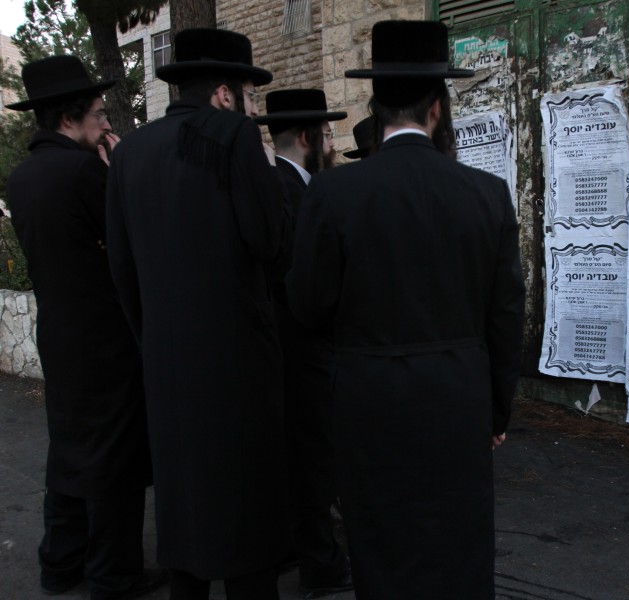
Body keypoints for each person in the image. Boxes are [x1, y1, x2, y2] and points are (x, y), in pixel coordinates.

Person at [285, 20, 526, 600]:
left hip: (370, 401)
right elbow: (506, 314)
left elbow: (307, 305)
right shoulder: (486, 193)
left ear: (377, 105)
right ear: (437, 109)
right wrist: (496, 409)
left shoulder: (332, 193)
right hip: (458, 397)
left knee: (383, 542)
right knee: (457, 544)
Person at [105, 28, 291, 599]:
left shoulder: (130, 151)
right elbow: (274, 243)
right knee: (246, 521)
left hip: (167, 366)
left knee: (184, 511)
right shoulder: (234, 137)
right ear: (224, 93)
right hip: (237, 366)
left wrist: (154, 341)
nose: (250, 104)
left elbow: (123, 269)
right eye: (247, 92)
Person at [6, 55, 165, 600]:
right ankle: (113, 573)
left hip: (59, 332)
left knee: (69, 449)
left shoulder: (22, 176)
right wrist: (118, 170)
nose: (106, 124)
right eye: (99, 114)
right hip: (104, 337)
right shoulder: (83, 171)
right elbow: (133, 234)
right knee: (113, 459)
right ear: (71, 117)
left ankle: (61, 561)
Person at [255, 89, 353, 599]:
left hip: (294, 346)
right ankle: (320, 564)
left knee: (303, 459)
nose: (333, 143)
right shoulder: (289, 190)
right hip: (302, 346)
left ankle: (302, 549)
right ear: (309, 136)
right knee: (312, 462)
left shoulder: (291, 184)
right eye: (329, 134)